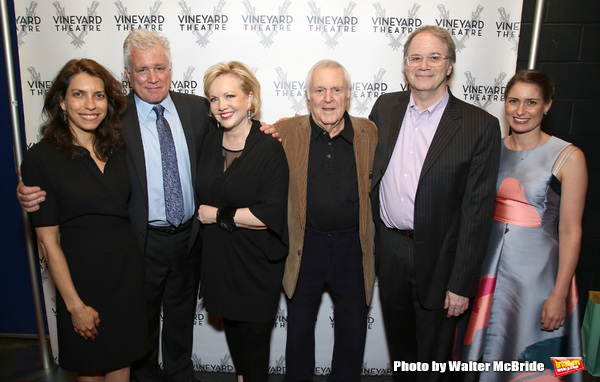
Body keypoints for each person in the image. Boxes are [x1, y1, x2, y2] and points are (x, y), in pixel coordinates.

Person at [17, 29, 211, 382]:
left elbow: (235, 133)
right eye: (141, 70)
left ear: (171, 69)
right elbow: (65, 168)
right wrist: (27, 188)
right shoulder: (112, 120)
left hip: (189, 241)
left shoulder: (198, 110)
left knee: (181, 326)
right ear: (127, 74)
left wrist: (272, 131)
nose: (152, 78)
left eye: (160, 68)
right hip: (139, 245)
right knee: (139, 338)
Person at [369, 25, 501, 382]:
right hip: (391, 250)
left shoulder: (480, 125)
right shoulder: (385, 108)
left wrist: (461, 282)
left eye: (434, 57)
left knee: (433, 363)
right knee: (402, 355)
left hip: (443, 261)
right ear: (405, 65)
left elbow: (477, 213)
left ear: (450, 65)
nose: (423, 65)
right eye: (415, 57)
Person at [20, 58, 148, 381]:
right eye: (79, 95)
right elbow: (49, 244)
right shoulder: (41, 158)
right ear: (62, 102)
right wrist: (75, 305)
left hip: (125, 275)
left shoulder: (119, 146)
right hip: (80, 280)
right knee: (90, 370)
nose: (90, 105)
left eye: (99, 95)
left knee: (122, 364)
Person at [460, 70, 586, 381]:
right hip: (488, 270)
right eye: (513, 101)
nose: (520, 110)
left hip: (538, 279)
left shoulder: (569, 156)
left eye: (531, 102)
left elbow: (571, 231)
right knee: (487, 349)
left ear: (547, 106)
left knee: (534, 359)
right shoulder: (491, 148)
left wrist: (559, 294)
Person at [274, 59, 377, 382]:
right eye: (320, 90)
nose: (328, 98)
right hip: (305, 245)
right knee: (299, 330)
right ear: (308, 97)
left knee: (352, 331)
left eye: (336, 89)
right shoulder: (285, 131)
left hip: (353, 247)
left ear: (348, 95)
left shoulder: (368, 133)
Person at [196, 61, 289, 382]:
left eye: (230, 96)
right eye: (214, 98)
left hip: (256, 267)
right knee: (239, 353)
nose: (222, 106)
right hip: (220, 264)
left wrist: (216, 214)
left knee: (254, 357)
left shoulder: (269, 148)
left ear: (250, 99)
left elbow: (269, 214)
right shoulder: (208, 143)